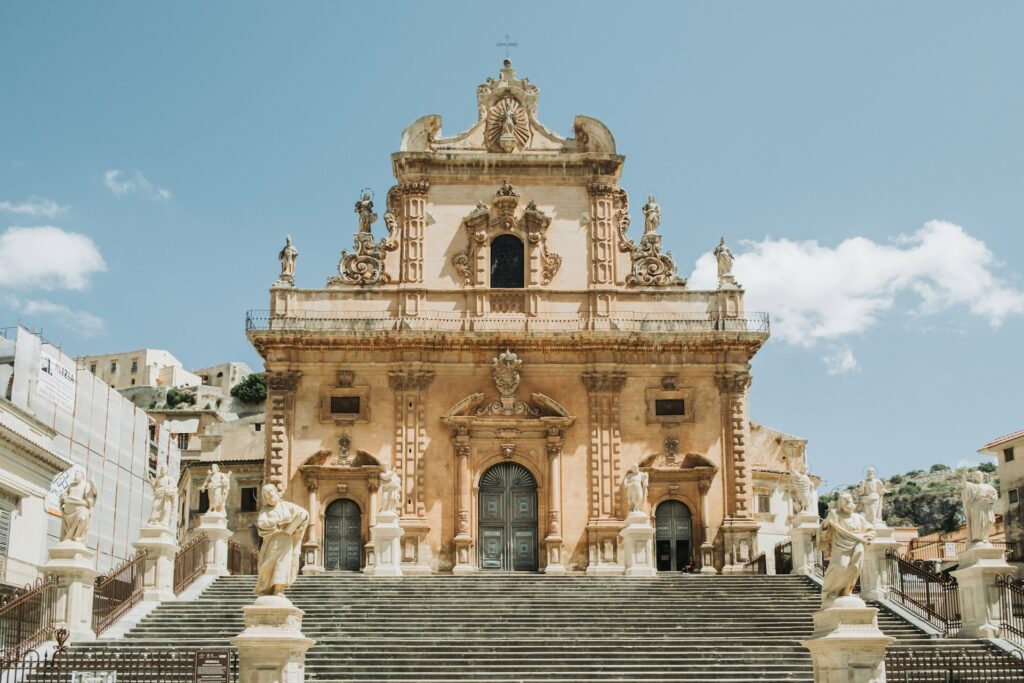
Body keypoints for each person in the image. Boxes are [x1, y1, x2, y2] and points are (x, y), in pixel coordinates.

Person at [819, 492, 875, 608]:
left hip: (857, 544)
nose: (848, 501)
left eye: (849, 499)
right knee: (841, 566)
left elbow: (870, 530)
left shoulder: (858, 517)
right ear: (840, 503)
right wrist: (827, 521)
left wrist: (868, 537)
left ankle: (846, 591)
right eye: (844, 500)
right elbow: (824, 534)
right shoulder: (835, 515)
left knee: (854, 569)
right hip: (841, 547)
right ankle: (829, 590)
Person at [254, 484, 309, 597]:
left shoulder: (287, 506)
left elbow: (304, 513)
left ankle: (278, 590)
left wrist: (302, 516)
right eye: (266, 496)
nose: (269, 497)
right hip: (272, 541)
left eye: (271, 494)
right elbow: (261, 524)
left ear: (275, 492)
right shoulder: (265, 510)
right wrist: (279, 521)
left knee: (283, 564)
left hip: (286, 540)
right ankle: (265, 588)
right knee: (267, 565)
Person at [60, 470, 98, 543]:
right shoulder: (71, 485)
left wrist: (93, 483)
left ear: (82, 475)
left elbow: (88, 501)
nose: (75, 477)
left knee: (83, 517)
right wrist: (64, 497)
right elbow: (64, 495)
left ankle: (76, 536)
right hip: (68, 510)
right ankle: (68, 538)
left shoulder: (86, 485)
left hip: (80, 509)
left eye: (77, 475)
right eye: (75, 475)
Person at [962, 470, 998, 546]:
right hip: (977, 506)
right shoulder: (972, 485)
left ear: (982, 476)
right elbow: (964, 486)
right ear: (974, 477)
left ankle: (985, 537)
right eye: (976, 475)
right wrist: (964, 477)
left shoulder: (989, 487)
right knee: (980, 523)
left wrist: (991, 499)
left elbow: (995, 496)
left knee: (990, 520)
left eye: (979, 474)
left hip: (987, 505)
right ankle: (980, 538)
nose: (978, 476)